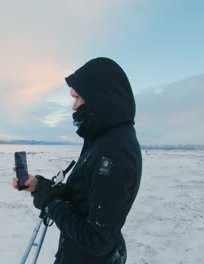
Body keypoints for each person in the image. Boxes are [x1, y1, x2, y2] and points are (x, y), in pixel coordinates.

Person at [12, 57, 142, 264]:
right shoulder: (103, 140)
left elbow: (97, 240)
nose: (74, 106)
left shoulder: (115, 152)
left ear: (99, 96)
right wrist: (40, 186)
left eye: (78, 96)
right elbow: (83, 198)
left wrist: (51, 202)